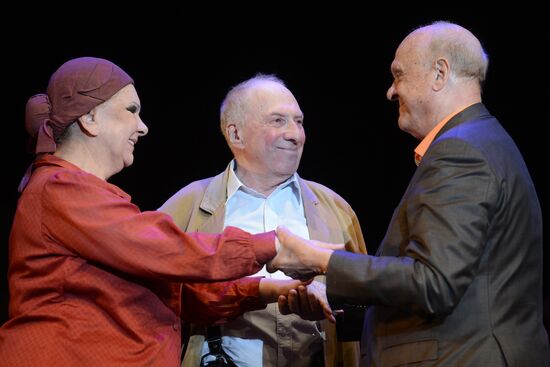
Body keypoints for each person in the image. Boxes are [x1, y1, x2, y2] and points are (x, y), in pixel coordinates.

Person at [0, 57, 338, 367]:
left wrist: (271, 290)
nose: (143, 126)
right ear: (90, 118)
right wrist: (276, 247)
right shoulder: (60, 188)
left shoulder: (87, 197)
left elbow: (178, 292)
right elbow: (168, 250)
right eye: (131, 110)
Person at [271, 21, 550, 366]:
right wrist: (336, 301)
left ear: (439, 73)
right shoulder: (483, 141)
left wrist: (321, 260)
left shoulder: (462, 152)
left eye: (399, 75)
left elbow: (433, 284)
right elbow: (463, 294)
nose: (391, 91)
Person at [159, 74, 367, 366]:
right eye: (278, 121)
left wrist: (333, 300)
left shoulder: (336, 209)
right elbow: (153, 304)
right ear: (236, 135)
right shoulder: (187, 206)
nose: (296, 134)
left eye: (299, 121)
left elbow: (364, 306)